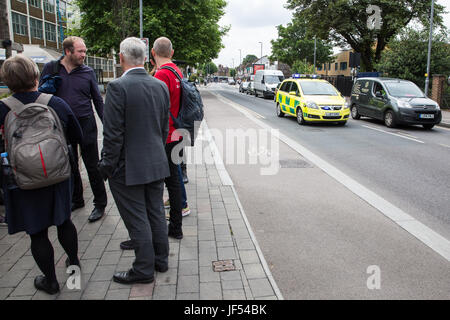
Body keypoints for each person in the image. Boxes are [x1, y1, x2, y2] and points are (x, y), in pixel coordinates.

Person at [0, 55, 83, 295]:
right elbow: (78, 135)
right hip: (58, 174)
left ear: (7, 82)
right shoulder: (55, 103)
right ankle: (74, 262)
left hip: (23, 179)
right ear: (36, 77)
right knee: (63, 221)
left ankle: (50, 280)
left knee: (37, 232)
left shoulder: (3, 110)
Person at [98, 37, 171, 284]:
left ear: (121, 58)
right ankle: (160, 260)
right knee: (156, 213)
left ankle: (143, 269)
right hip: (155, 161)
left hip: (128, 167)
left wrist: (107, 166)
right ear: (144, 57)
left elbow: (113, 134)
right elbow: (163, 127)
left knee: (137, 218)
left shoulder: (118, 87)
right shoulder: (159, 85)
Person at [39, 36, 107, 223]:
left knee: (92, 165)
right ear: (68, 51)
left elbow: (98, 100)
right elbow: (40, 95)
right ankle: (77, 199)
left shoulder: (88, 72)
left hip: (86, 123)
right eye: (80, 51)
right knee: (70, 165)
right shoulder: (51, 68)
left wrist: (107, 125)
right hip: (62, 125)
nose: (84, 55)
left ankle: (100, 203)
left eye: (84, 51)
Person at [152, 36, 186, 239]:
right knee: (174, 181)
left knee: (161, 182)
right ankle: (176, 227)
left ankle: (167, 228)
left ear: (153, 53)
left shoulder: (160, 76)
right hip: (179, 132)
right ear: (172, 53)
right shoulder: (177, 72)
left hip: (165, 136)